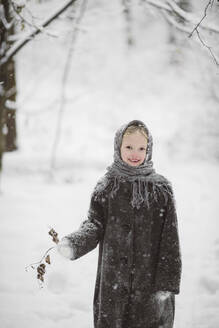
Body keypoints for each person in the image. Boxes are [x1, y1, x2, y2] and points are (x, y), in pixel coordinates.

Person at [57, 119, 182, 328]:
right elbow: (94, 225)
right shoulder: (107, 187)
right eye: (129, 147)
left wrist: (166, 284)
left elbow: (170, 240)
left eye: (142, 148)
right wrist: (74, 243)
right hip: (113, 284)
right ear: (118, 147)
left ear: (149, 149)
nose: (135, 153)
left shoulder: (161, 190)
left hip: (150, 286)